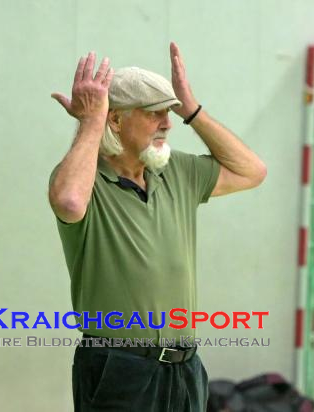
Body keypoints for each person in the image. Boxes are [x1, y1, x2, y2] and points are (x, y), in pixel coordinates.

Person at [49, 42, 267, 412]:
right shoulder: (84, 181)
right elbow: (69, 202)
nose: (168, 123)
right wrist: (90, 122)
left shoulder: (177, 170)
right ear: (115, 120)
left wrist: (192, 110)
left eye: (169, 112)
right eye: (154, 113)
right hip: (119, 367)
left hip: (185, 367)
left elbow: (252, 171)